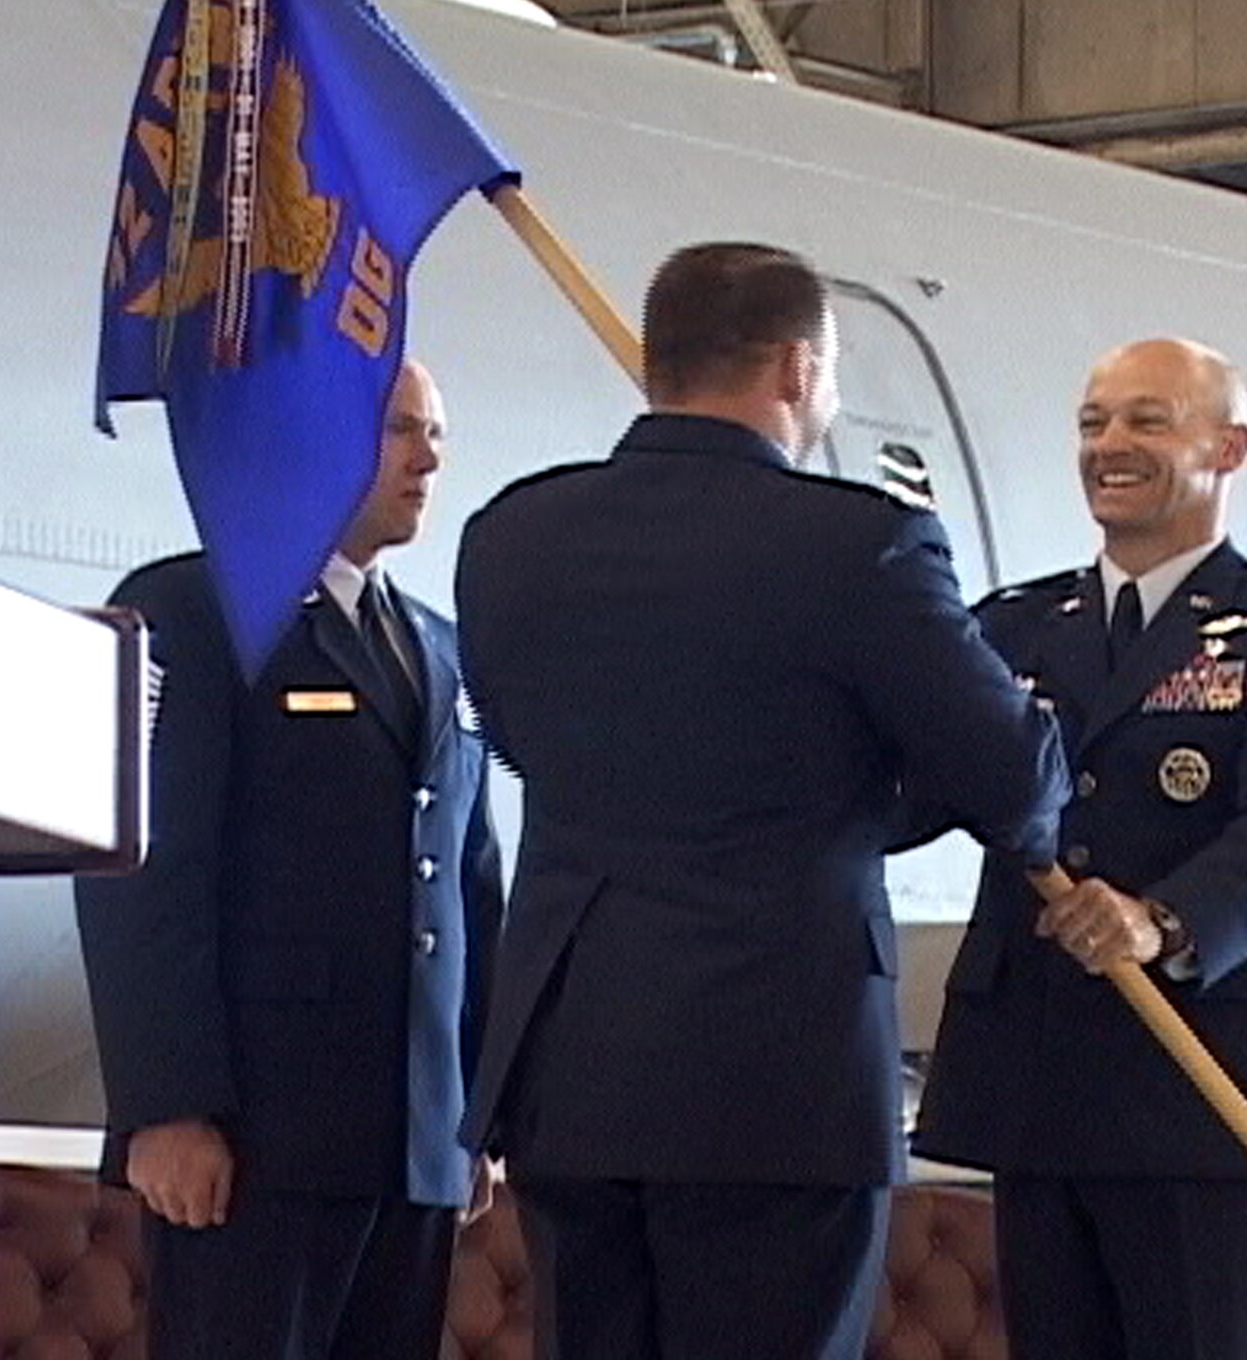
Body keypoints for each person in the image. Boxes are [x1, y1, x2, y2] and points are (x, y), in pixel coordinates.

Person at [453, 241, 1068, 1360]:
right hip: (771, 1076)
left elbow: (518, 740)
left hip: (570, 1062)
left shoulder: (509, 537)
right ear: (795, 369)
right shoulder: (860, 545)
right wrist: (869, 791)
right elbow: (1009, 780)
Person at [910, 337, 1247, 1360]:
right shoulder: (1011, 628)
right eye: (1092, 422)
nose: (1109, 445)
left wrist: (1161, 920)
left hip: (1205, 1081)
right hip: (1040, 1082)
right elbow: (911, 792)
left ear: (1228, 446)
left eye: (1145, 420)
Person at [74, 359, 506, 1360]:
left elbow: (471, 884)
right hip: (254, 1139)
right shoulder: (197, 610)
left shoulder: (437, 648)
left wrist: (478, 1108)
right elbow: (145, 872)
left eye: (435, 429)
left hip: (410, 1142)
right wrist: (166, 1103)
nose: (429, 454)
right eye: (401, 429)